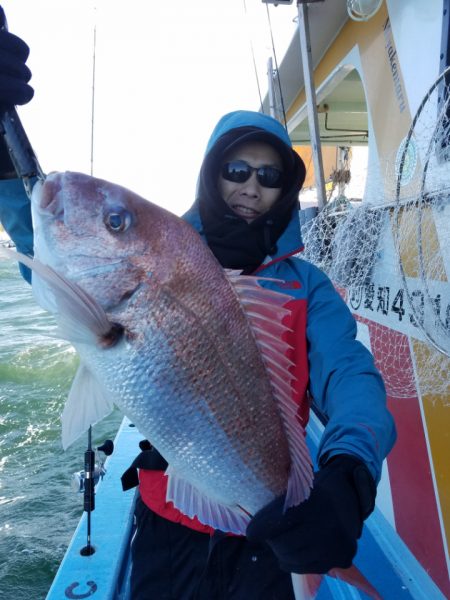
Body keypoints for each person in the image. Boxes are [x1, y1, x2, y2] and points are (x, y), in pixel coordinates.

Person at [0, 27, 396, 600]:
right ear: (210, 173)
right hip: (169, 526)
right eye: (236, 170)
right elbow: (37, 236)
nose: (251, 187)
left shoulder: (307, 286)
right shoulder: (169, 253)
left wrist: (352, 469)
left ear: (285, 189)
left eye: (269, 175)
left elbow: (351, 375)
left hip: (266, 532)